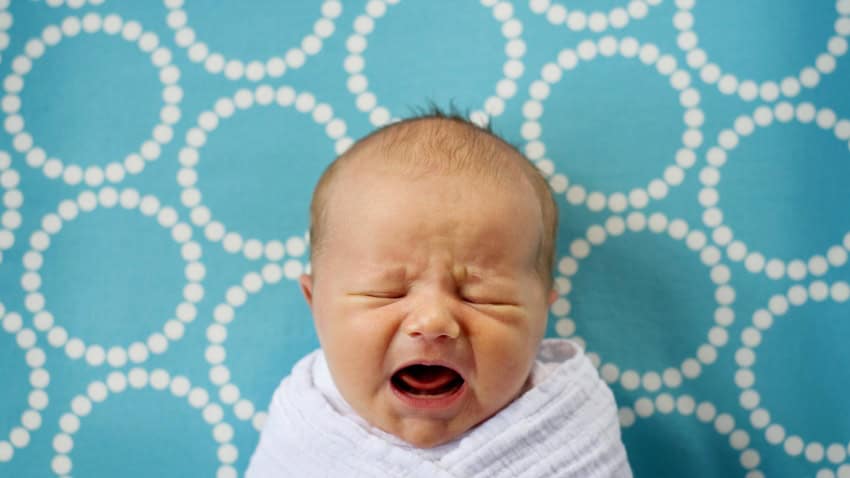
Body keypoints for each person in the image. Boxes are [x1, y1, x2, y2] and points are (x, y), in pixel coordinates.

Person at [246, 108, 631, 477]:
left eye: (481, 296)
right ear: (315, 304)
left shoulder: (569, 425)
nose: (433, 321)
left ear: (541, 314)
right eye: (386, 292)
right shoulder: (304, 427)